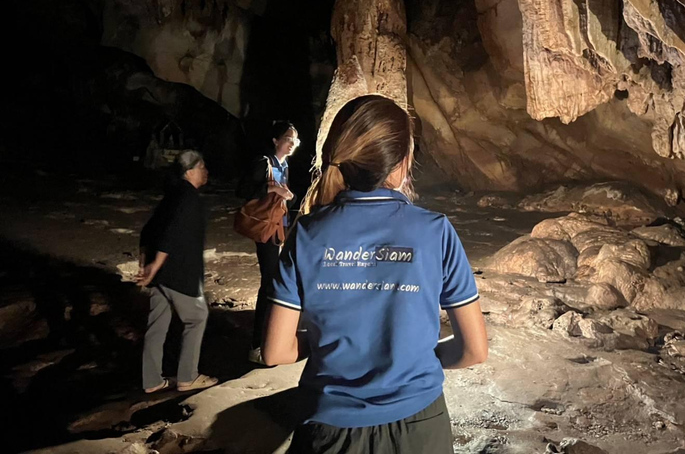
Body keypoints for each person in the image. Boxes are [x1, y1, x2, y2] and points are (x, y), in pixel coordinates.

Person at [261, 96, 488, 453]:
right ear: (403, 163)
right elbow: (474, 351)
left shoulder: (306, 234)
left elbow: (275, 351)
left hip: (330, 429)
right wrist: (421, 358)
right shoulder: (435, 232)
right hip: (420, 427)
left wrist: (322, 342)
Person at [137, 150, 218, 393]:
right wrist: (155, 265)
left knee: (158, 323)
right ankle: (187, 377)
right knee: (197, 317)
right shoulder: (188, 198)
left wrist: (147, 263)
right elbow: (171, 234)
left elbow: (148, 231)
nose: (206, 171)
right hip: (178, 271)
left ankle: (151, 380)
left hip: (160, 273)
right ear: (190, 170)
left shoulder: (172, 195)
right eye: (202, 166)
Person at [236, 121, 299, 364]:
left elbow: (284, 203)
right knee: (270, 283)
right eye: (287, 138)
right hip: (266, 231)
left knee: (274, 282)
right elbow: (243, 190)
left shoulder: (284, 165)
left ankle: (266, 341)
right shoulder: (265, 163)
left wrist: (289, 197)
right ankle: (257, 345)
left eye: (294, 140)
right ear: (275, 140)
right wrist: (272, 188)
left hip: (279, 231)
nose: (292, 143)